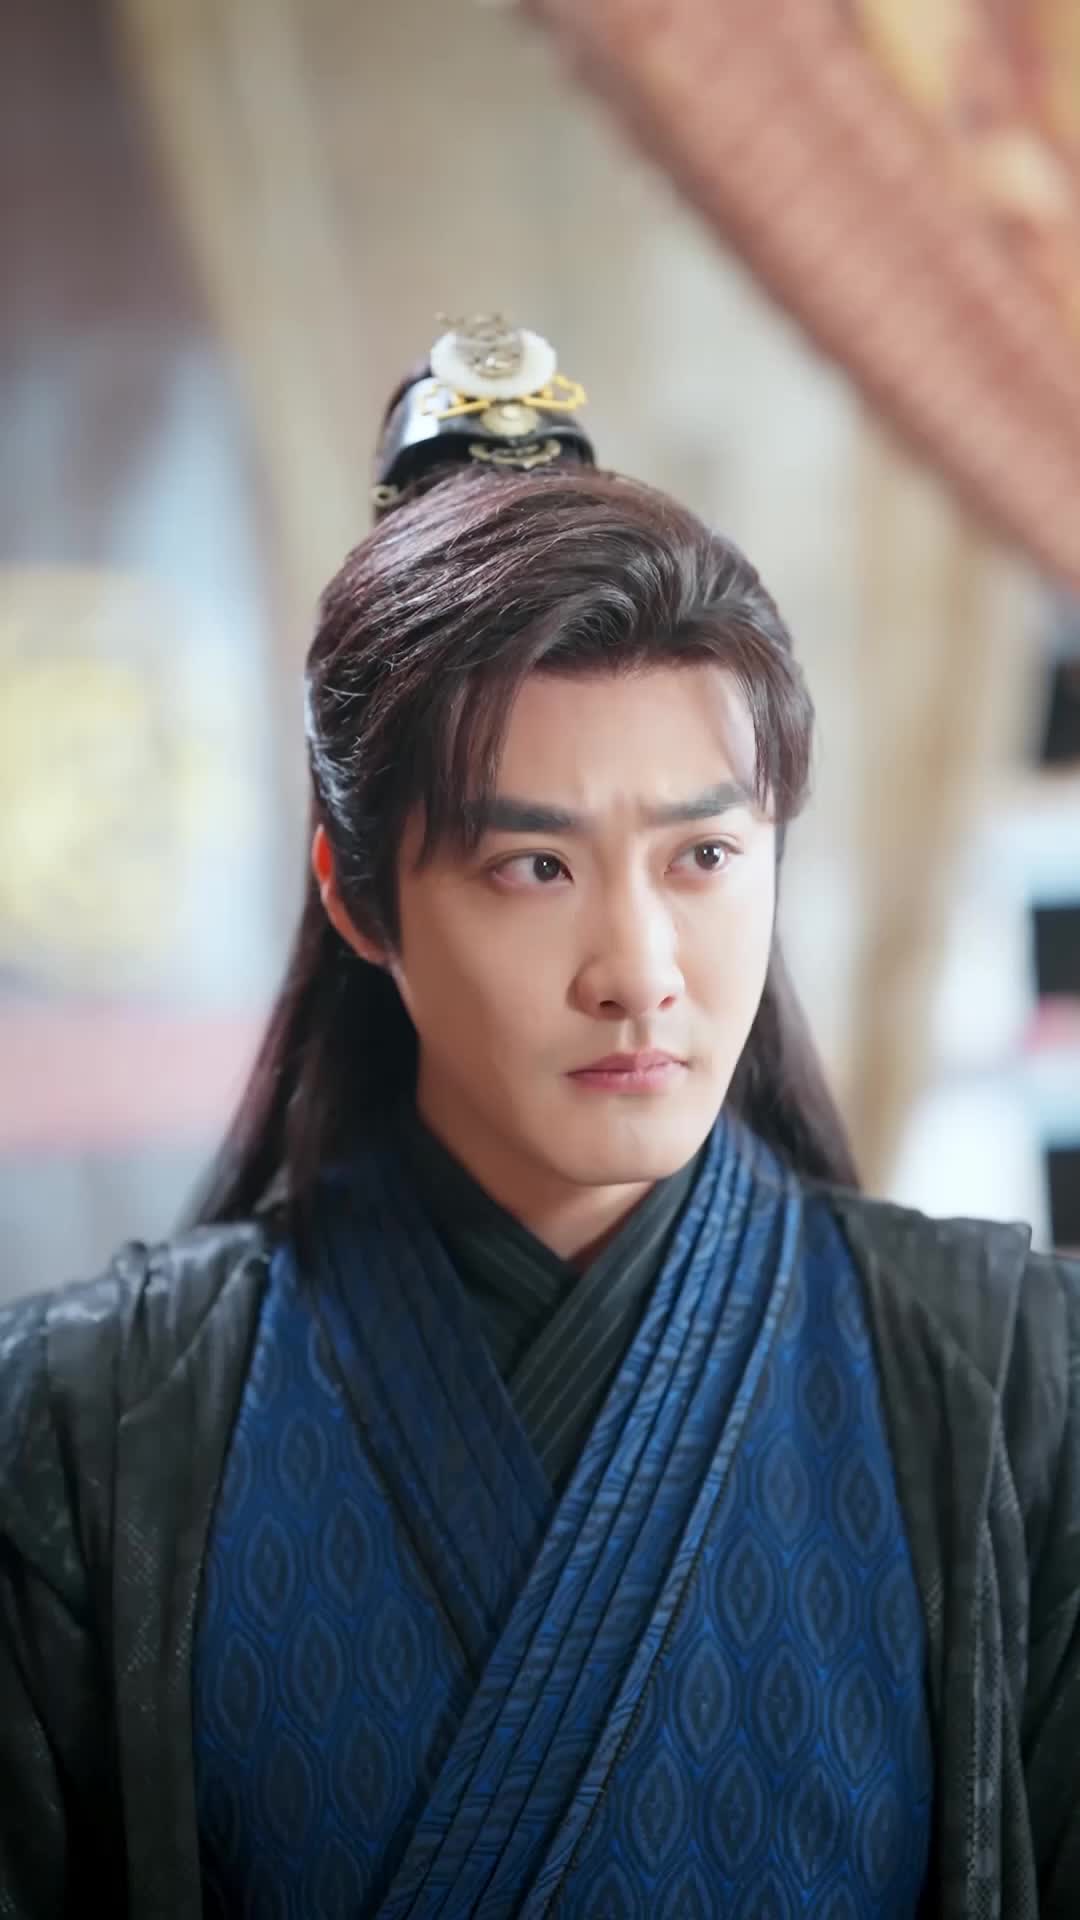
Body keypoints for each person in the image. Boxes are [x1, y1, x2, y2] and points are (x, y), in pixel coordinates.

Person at [1, 315, 1077, 1920]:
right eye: (535, 865)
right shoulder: (81, 1435)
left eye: (702, 857)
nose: (638, 972)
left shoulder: (1021, 1391)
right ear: (358, 897)